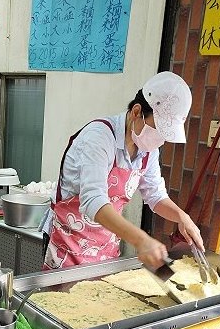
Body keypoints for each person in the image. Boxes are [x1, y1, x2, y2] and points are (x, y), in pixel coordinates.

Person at [42, 71, 204, 271]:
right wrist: (141, 240)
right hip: (69, 244)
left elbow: (155, 195)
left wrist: (182, 217)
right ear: (137, 112)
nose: (160, 141)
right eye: (158, 130)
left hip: (106, 245)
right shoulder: (99, 138)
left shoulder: (147, 150)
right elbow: (93, 200)